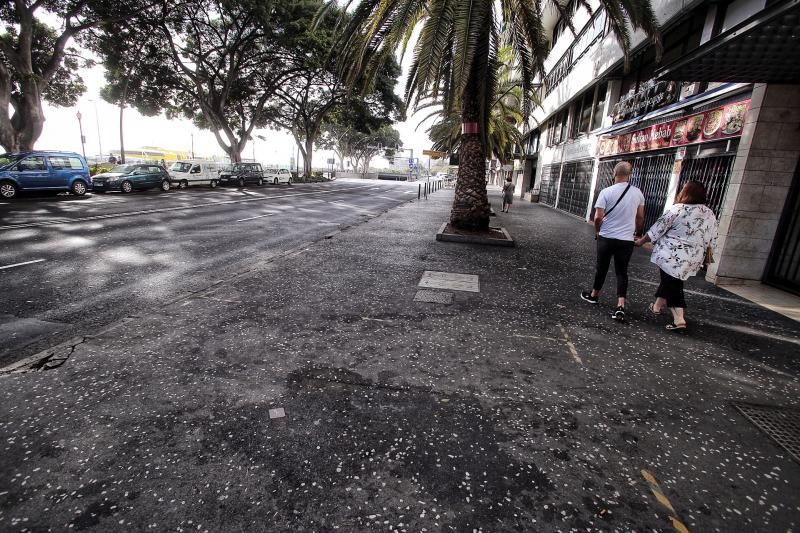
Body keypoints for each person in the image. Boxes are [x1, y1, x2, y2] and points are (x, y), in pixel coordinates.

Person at [635, 181, 718, 331]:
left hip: (671, 256)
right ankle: (657, 306)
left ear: (685, 192)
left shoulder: (678, 209)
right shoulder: (709, 213)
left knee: (673, 284)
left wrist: (641, 241)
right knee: (670, 281)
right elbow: (713, 238)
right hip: (693, 258)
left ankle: (679, 318)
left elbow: (657, 229)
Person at [580, 161, 645, 321]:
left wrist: (598, 231)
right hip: (626, 240)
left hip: (607, 237)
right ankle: (620, 305)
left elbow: (598, 217)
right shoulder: (638, 193)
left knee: (601, 267)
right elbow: (640, 217)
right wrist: (637, 233)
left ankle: (594, 295)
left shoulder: (606, 192)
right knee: (622, 271)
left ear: (614, 173)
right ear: (629, 175)